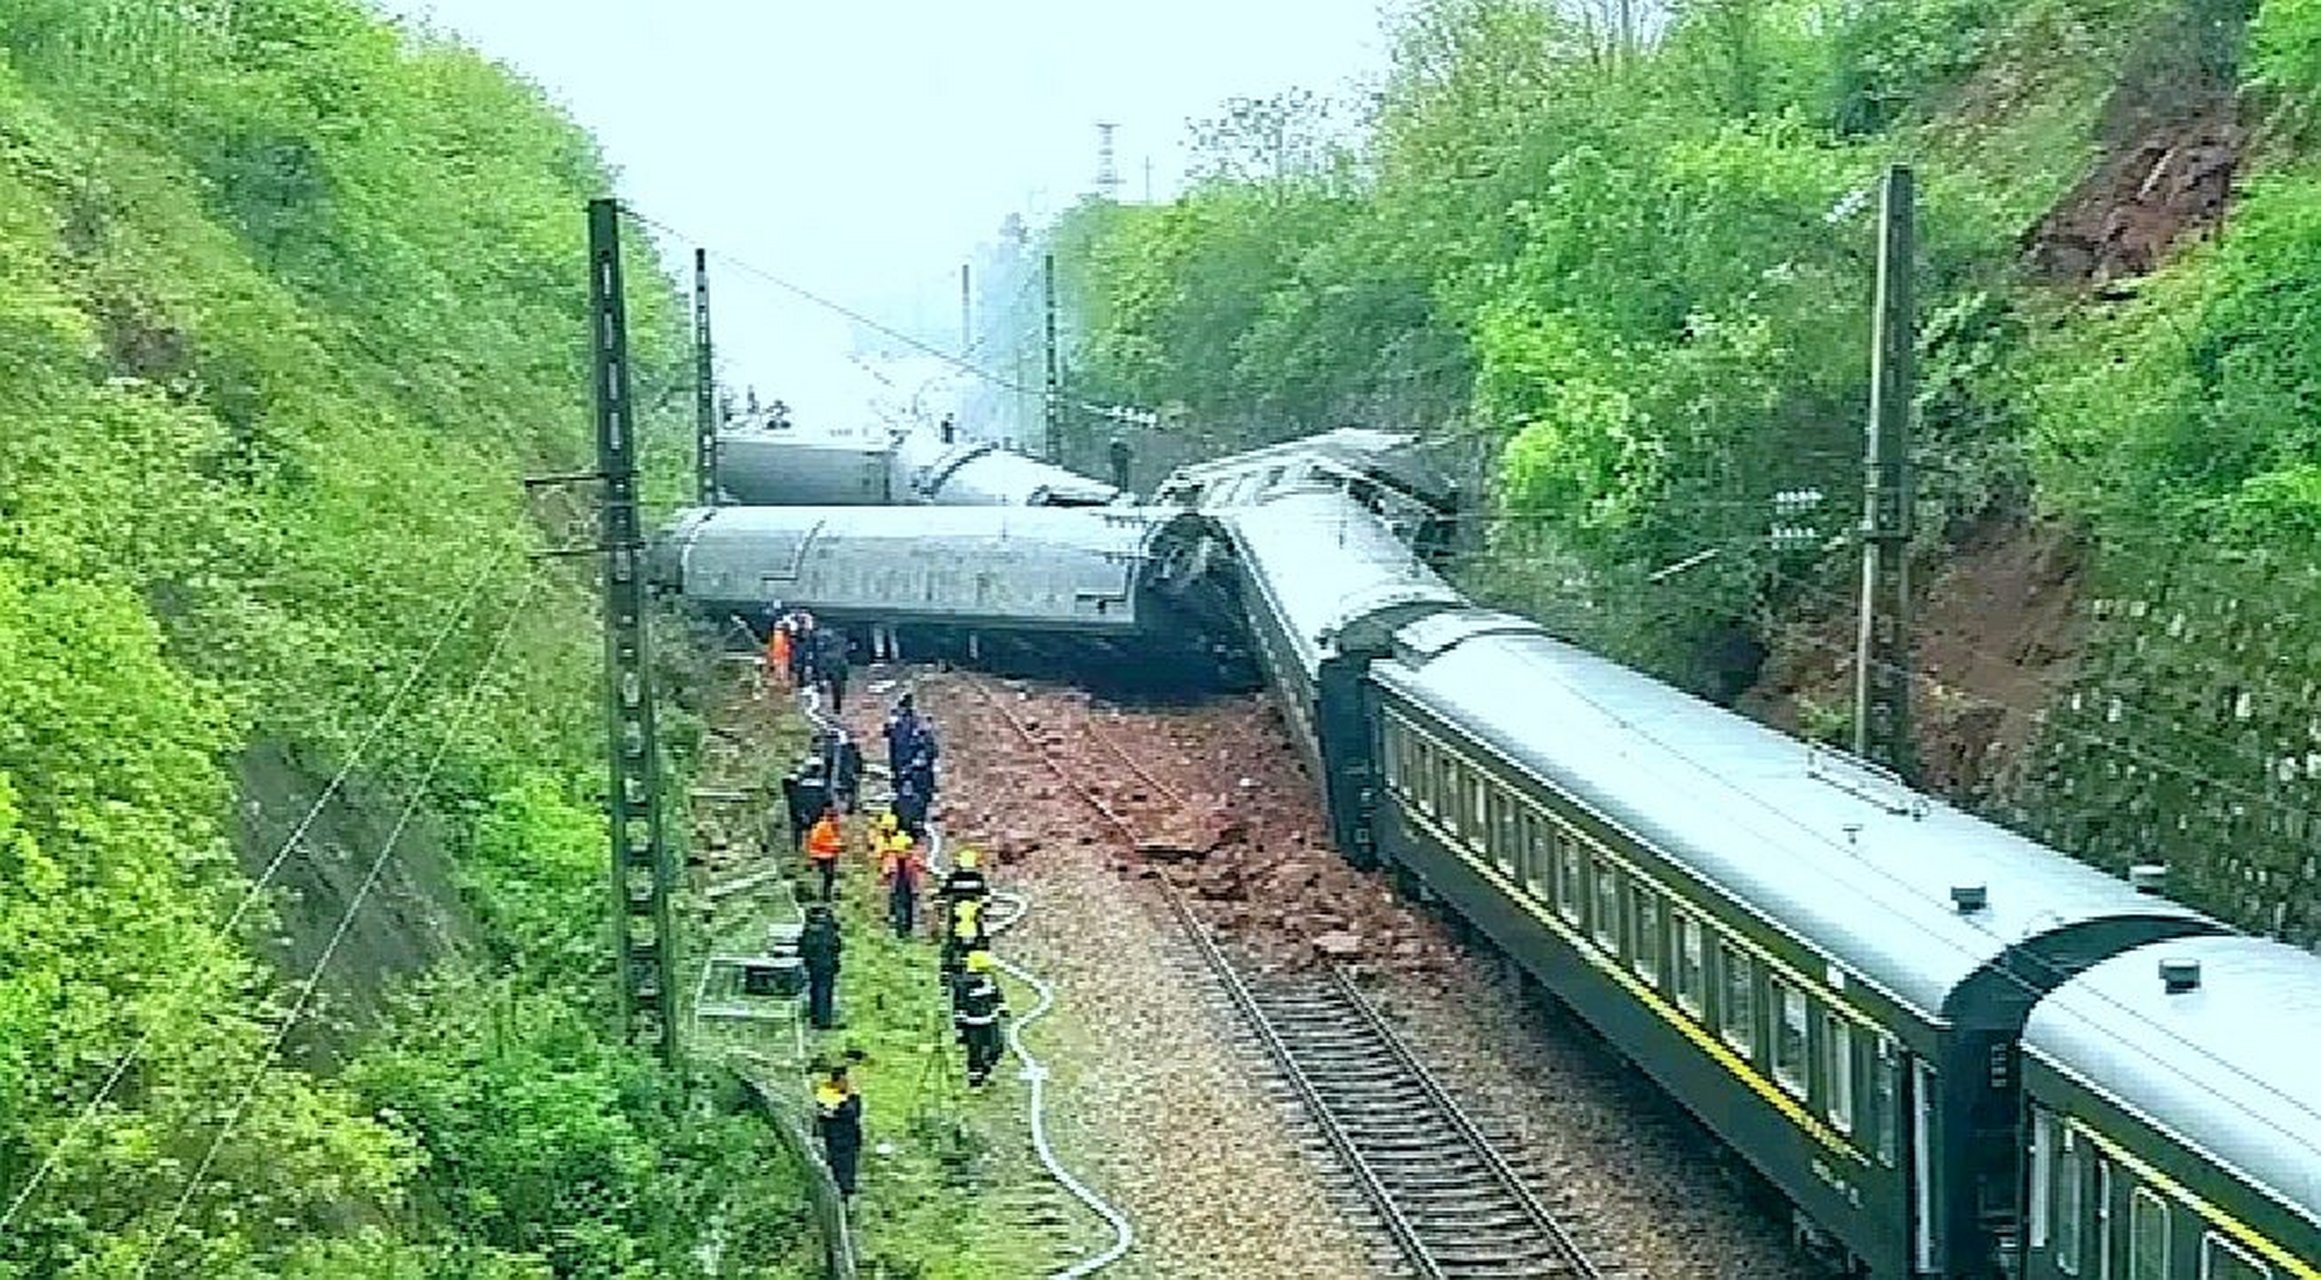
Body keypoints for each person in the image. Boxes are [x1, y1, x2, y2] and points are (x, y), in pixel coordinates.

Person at [954, 950, 1007, 1087]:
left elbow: (996, 994)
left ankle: (986, 1070)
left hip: (991, 1020)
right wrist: (960, 1030)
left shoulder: (989, 978)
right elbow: (959, 1005)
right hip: (973, 1023)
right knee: (975, 1053)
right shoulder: (963, 983)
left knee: (996, 1048)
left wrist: (1002, 1007)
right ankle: (975, 1082)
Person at [813, 1063, 863, 1198]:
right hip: (836, 1137)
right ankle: (840, 1188)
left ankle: (847, 1188)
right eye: (845, 1080)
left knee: (848, 1164)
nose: (848, 1083)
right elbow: (825, 1114)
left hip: (849, 1137)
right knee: (837, 1164)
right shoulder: (826, 1094)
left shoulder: (851, 1096)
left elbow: (856, 1113)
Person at [800, 905, 842, 1030]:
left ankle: (815, 1018)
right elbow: (836, 946)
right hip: (827, 963)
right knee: (825, 991)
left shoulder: (808, 929)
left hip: (813, 964)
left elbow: (803, 948)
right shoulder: (828, 930)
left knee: (814, 989)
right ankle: (823, 1020)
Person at [881, 831, 923, 939]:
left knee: (905, 905)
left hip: (905, 886)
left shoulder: (900, 858)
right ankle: (902, 926)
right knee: (902, 905)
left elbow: (886, 872)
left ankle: (904, 926)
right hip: (901, 887)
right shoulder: (898, 859)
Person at [939, 845, 990, 922]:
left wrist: (941, 902)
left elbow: (944, 892)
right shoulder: (978, 878)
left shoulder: (953, 877)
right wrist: (986, 907)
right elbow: (985, 893)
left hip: (958, 909)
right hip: (970, 910)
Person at [806, 806, 844, 900]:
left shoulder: (831, 826)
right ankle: (824, 895)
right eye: (835, 817)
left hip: (828, 854)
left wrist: (837, 845)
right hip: (822, 855)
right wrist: (833, 846)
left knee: (829, 876)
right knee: (826, 876)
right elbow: (816, 841)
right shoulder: (822, 826)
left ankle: (826, 894)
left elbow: (832, 839)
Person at [882, 695, 921, 782]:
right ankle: (897, 781)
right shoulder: (895, 715)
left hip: (907, 744)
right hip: (898, 744)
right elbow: (887, 731)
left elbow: (916, 730)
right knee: (898, 764)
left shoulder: (912, 716)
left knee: (906, 765)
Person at [818, 626, 851, 714]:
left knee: (836, 687)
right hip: (838, 666)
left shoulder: (830, 646)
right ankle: (837, 704)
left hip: (835, 667)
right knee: (838, 686)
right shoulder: (842, 643)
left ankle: (837, 706)